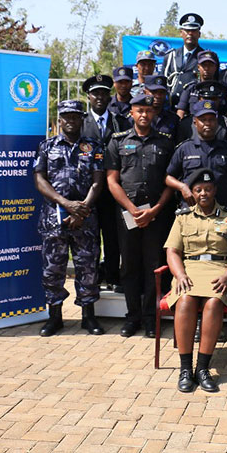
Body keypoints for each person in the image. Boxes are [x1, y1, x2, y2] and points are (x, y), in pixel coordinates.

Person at [165, 168, 227, 393]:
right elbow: (172, 251)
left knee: (212, 304)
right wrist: (180, 275)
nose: (203, 193)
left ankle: (202, 369)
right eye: (198, 189)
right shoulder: (182, 218)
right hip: (189, 270)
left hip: (218, 271)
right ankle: (185, 369)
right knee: (185, 301)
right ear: (192, 192)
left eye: (208, 189)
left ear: (215, 191)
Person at [105, 93, 176, 338]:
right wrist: (132, 209)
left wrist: (155, 209)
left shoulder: (165, 143)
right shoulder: (118, 141)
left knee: (153, 266)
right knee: (130, 266)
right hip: (128, 214)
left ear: (154, 113)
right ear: (131, 113)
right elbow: (112, 181)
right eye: (139, 110)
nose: (144, 115)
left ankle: (150, 318)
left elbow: (170, 181)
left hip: (157, 214)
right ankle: (132, 316)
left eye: (148, 110)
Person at [33, 100, 106, 336]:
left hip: (86, 219)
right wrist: (65, 204)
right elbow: (40, 180)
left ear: (82, 119)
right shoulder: (46, 147)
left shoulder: (94, 146)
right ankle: (54, 317)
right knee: (53, 269)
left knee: (88, 267)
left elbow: (98, 181)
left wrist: (82, 209)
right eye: (66, 117)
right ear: (60, 119)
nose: (71, 121)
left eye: (75, 116)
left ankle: (89, 317)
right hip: (54, 218)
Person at [81, 74, 130, 291]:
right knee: (88, 238)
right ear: (88, 96)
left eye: (104, 93)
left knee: (112, 237)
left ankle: (112, 276)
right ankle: (91, 278)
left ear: (109, 96)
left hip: (112, 190)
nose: (100, 97)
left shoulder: (121, 121)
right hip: (87, 190)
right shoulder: (80, 122)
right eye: (95, 93)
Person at [165, 100, 227, 215]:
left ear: (217, 122)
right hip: (192, 212)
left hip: (222, 212)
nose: (208, 123)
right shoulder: (184, 148)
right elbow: (168, 178)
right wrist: (182, 187)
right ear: (194, 122)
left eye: (211, 119)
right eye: (203, 120)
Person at [163, 12, 205, 108]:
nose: (190, 33)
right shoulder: (170, 56)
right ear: (181, 33)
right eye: (187, 30)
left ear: (199, 34)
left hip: (194, 108)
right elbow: (163, 83)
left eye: (194, 30)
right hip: (171, 108)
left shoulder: (205, 58)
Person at [174, 50, 226, 119]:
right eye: (204, 65)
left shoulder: (223, 88)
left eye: (210, 65)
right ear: (198, 67)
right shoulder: (190, 88)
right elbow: (181, 111)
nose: (207, 69)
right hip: (193, 126)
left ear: (215, 67)